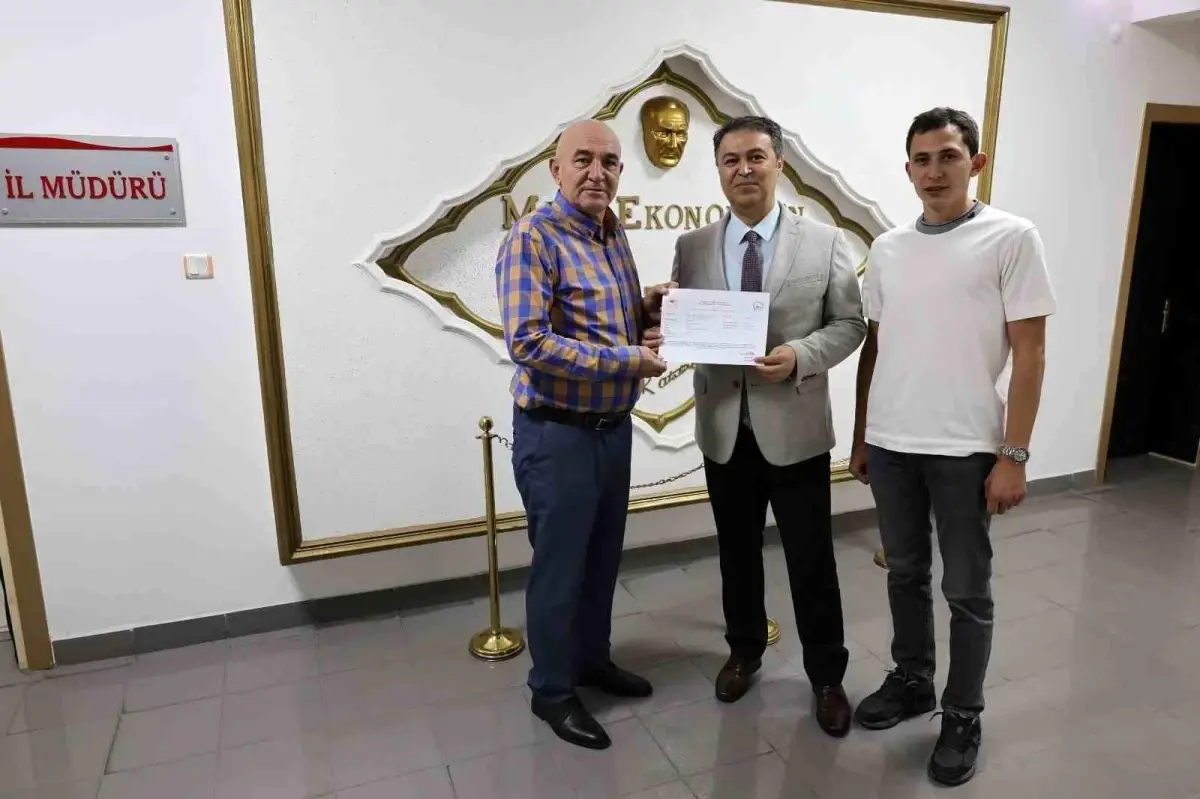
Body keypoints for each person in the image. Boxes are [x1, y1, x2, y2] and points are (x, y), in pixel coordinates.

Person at [849, 107, 1056, 786]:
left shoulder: (1011, 237)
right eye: (922, 159)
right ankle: (912, 678)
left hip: (966, 446)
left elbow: (1031, 354)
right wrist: (862, 435)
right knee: (903, 572)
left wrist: (1014, 455)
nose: (934, 171)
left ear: (976, 162)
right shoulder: (888, 248)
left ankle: (962, 712)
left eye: (948, 156)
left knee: (966, 588)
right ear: (907, 168)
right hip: (892, 442)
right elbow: (876, 347)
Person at [659, 115, 866, 737]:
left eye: (755, 157)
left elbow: (850, 324)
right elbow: (689, 323)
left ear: (779, 163)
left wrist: (801, 355)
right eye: (730, 160)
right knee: (736, 553)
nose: (743, 169)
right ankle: (743, 651)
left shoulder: (824, 241)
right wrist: (667, 319)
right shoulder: (693, 247)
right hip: (724, 428)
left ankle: (826, 676)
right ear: (719, 170)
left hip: (795, 428)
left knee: (811, 558)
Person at [495, 119, 672, 751]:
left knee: (601, 560)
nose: (598, 172)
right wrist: (629, 360)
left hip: (611, 430)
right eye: (583, 160)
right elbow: (528, 342)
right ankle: (551, 690)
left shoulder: (611, 232)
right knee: (560, 568)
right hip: (558, 434)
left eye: (610, 162)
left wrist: (647, 309)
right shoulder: (532, 237)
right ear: (556, 169)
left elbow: (604, 323)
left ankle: (592, 660)